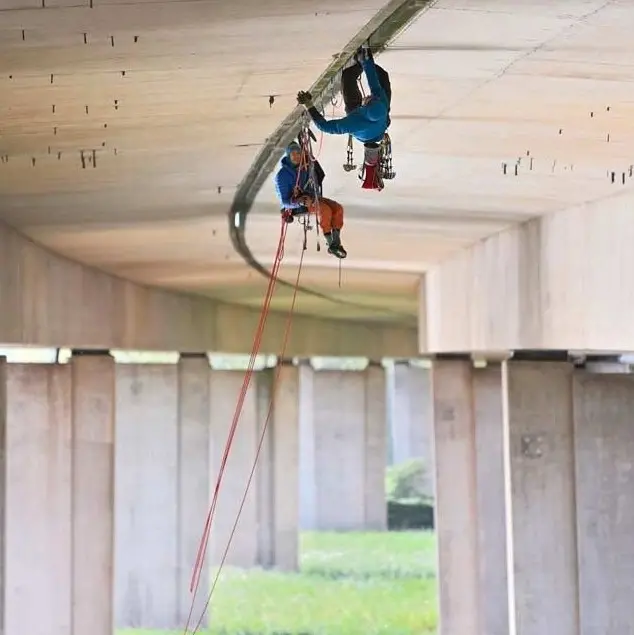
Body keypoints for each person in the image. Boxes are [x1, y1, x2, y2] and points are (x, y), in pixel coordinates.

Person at [297, 47, 391, 190]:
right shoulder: (381, 104)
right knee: (381, 78)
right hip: (378, 123)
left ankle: (360, 63)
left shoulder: (354, 123)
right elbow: (374, 84)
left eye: (368, 99)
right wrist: (366, 61)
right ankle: (362, 61)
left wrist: (308, 105)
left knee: (348, 77)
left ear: (366, 104)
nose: (367, 96)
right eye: (370, 97)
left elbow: (325, 126)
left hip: (361, 116)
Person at [274, 141, 347, 259]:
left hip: (313, 197)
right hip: (299, 205)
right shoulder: (282, 176)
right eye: (293, 154)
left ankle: (336, 243)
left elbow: (316, 175)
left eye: (299, 153)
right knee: (325, 210)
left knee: (337, 208)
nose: (297, 156)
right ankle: (330, 242)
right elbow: (285, 202)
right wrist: (300, 201)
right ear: (288, 156)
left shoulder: (306, 167)